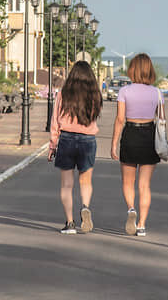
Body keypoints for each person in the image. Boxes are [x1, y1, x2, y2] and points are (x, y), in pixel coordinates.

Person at [110, 53, 164, 237]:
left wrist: (114, 143)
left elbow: (120, 119)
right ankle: (141, 225)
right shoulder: (157, 92)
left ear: (132, 69)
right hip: (149, 135)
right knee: (144, 185)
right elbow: (161, 118)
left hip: (130, 134)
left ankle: (131, 209)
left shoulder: (124, 91)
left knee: (128, 182)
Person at [49, 60, 102, 234]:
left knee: (66, 184)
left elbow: (55, 120)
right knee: (85, 181)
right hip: (88, 139)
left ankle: (70, 223)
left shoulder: (63, 93)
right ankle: (85, 206)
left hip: (67, 139)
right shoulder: (94, 94)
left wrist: (52, 145)